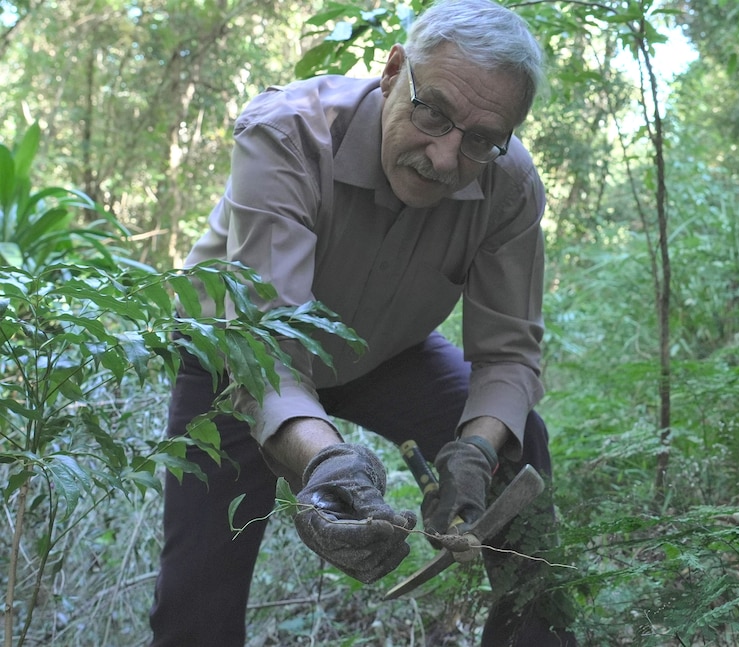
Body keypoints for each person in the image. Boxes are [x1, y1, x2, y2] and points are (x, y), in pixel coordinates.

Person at [148, 0, 577, 645]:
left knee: (520, 446)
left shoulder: (508, 186)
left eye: (482, 140)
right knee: (200, 587)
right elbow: (268, 350)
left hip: (385, 351)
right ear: (393, 70)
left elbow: (509, 355)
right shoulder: (286, 133)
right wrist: (326, 465)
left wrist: (479, 452)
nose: (444, 157)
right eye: (433, 111)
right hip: (237, 353)